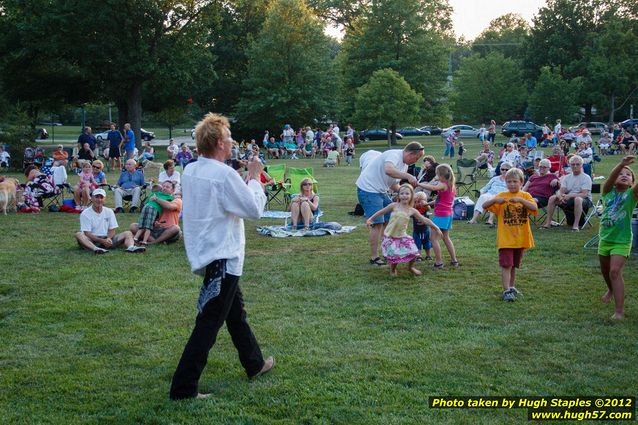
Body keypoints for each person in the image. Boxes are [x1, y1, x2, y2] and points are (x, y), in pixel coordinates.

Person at [170, 113, 274, 401]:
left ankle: (254, 363)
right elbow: (253, 210)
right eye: (229, 138)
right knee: (209, 322)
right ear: (218, 143)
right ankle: (183, 388)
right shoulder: (224, 174)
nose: (233, 143)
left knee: (235, 314)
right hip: (223, 257)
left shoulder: (191, 169)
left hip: (207, 253)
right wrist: (253, 178)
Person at [355, 142, 424, 266]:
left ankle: (388, 251)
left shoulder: (404, 165)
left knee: (391, 219)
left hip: (381, 191)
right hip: (368, 189)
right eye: (416, 157)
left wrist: (408, 193)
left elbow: (393, 184)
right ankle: (374, 258)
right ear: (410, 153)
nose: (416, 161)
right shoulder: (394, 155)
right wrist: (408, 176)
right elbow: (388, 170)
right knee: (378, 224)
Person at [483, 168, 538, 302]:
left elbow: (534, 208)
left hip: (520, 238)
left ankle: (512, 287)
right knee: (506, 265)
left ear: (521, 182)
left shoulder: (525, 196)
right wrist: (495, 201)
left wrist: (520, 200)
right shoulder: (502, 195)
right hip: (506, 239)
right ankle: (506, 290)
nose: (512, 184)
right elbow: (485, 205)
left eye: (515, 181)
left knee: (514, 265)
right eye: (509, 182)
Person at [366, 184, 441, 276]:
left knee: (414, 252)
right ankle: (393, 269)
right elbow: (381, 212)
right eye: (402, 193)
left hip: (402, 236)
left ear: (411, 196)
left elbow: (425, 219)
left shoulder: (412, 210)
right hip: (390, 236)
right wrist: (371, 219)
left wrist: (436, 228)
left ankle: (411, 267)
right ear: (398, 195)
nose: (404, 195)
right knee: (395, 256)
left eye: (407, 193)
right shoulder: (394, 206)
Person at [597, 156, 638, 320]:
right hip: (605, 238)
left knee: (615, 271)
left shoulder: (632, 195)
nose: (624, 175)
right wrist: (621, 164)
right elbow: (609, 179)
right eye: (620, 174)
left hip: (622, 240)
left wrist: (625, 169)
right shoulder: (607, 192)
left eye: (628, 175)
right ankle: (611, 290)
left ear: (631, 182)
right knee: (606, 271)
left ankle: (619, 311)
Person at [74, 188, 146, 254]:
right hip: (91, 239)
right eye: (96, 197)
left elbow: (112, 230)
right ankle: (95, 249)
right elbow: (87, 233)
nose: (99, 200)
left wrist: (108, 238)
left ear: (104, 199)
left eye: (101, 197)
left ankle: (131, 247)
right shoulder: (85, 213)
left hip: (107, 238)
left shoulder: (109, 211)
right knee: (79, 234)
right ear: (92, 198)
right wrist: (101, 241)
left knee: (128, 233)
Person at [418, 164, 459, 269]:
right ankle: (454, 260)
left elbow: (432, 187)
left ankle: (439, 262)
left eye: (437, 174)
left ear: (441, 175)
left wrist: (419, 184)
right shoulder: (451, 184)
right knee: (446, 237)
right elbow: (439, 199)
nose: (436, 175)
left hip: (441, 215)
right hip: (448, 214)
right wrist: (427, 204)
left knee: (433, 238)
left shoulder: (443, 184)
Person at [541, 155, 592, 231]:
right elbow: (561, 191)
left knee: (578, 199)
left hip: (584, 200)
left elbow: (584, 194)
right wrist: (560, 196)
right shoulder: (567, 177)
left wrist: (570, 195)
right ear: (569, 165)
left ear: (581, 165)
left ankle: (575, 226)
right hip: (568, 199)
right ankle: (548, 223)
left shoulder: (586, 177)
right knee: (553, 198)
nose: (575, 166)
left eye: (577, 164)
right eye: (573, 164)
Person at [412, 191, 433, 261]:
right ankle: (418, 256)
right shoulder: (414, 210)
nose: (417, 204)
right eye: (415, 202)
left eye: (419, 202)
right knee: (417, 243)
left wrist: (425, 204)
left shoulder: (425, 209)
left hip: (425, 230)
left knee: (427, 243)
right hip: (417, 231)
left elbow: (429, 208)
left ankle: (428, 255)